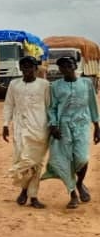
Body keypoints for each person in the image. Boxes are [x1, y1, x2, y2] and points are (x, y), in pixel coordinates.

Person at [44, 56, 100, 209]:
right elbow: (52, 107)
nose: (65, 68)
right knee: (65, 160)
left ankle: (79, 183)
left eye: (68, 65)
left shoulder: (86, 83)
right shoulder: (55, 86)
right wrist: (53, 125)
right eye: (62, 66)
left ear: (75, 66)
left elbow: (92, 105)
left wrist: (97, 126)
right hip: (63, 127)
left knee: (82, 157)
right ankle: (72, 194)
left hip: (82, 125)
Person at [2, 55, 50, 208]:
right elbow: (9, 104)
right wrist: (5, 124)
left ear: (36, 68)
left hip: (39, 129)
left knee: (36, 163)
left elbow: (50, 107)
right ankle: (24, 190)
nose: (27, 70)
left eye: (30, 66)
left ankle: (33, 196)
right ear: (20, 68)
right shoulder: (14, 84)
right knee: (22, 159)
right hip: (20, 128)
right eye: (24, 67)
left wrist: (53, 125)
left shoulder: (45, 85)